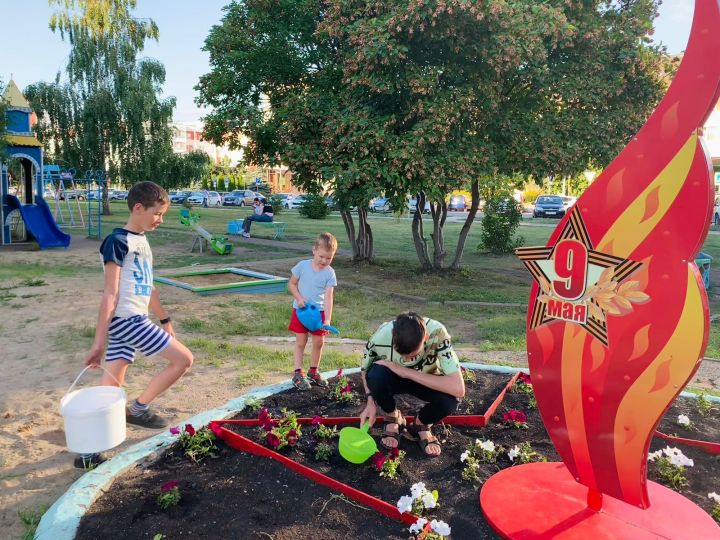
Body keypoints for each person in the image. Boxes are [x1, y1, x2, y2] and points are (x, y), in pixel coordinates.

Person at [78, 181, 194, 469]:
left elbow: (148, 287)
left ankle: (88, 453)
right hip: (127, 320)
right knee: (184, 360)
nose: (160, 220)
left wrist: (165, 319)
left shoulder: (142, 240)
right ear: (139, 208)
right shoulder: (117, 242)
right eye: (157, 213)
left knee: (111, 387)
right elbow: (111, 293)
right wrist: (98, 343)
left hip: (136, 318)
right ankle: (139, 409)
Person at [358, 312, 464, 457]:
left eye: (412, 355)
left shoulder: (438, 333)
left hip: (427, 378)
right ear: (393, 336)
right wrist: (370, 401)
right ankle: (392, 416)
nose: (407, 360)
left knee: (450, 400)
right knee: (376, 375)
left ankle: (421, 424)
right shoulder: (379, 337)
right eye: (401, 354)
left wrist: (404, 371)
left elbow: (458, 388)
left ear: (425, 338)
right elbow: (365, 370)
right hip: (393, 379)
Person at [287, 232, 338, 390]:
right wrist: (299, 298)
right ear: (314, 250)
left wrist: (327, 320)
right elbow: (292, 284)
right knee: (301, 341)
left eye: (328, 258)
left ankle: (313, 372)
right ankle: (297, 373)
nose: (324, 261)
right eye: (321, 256)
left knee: (318, 342)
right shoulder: (302, 266)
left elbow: (329, 298)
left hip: (319, 314)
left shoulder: (330, 273)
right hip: (300, 311)